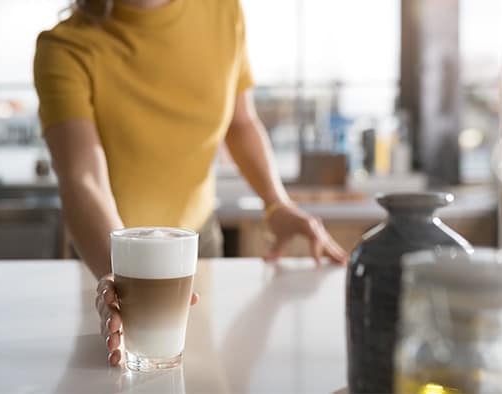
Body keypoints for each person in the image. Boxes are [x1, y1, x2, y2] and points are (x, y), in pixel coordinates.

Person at [33, 0, 348, 366]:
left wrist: (276, 203)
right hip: (107, 260)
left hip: (197, 248)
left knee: (200, 375)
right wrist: (122, 278)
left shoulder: (223, 10)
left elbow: (241, 122)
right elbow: (83, 180)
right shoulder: (65, 48)